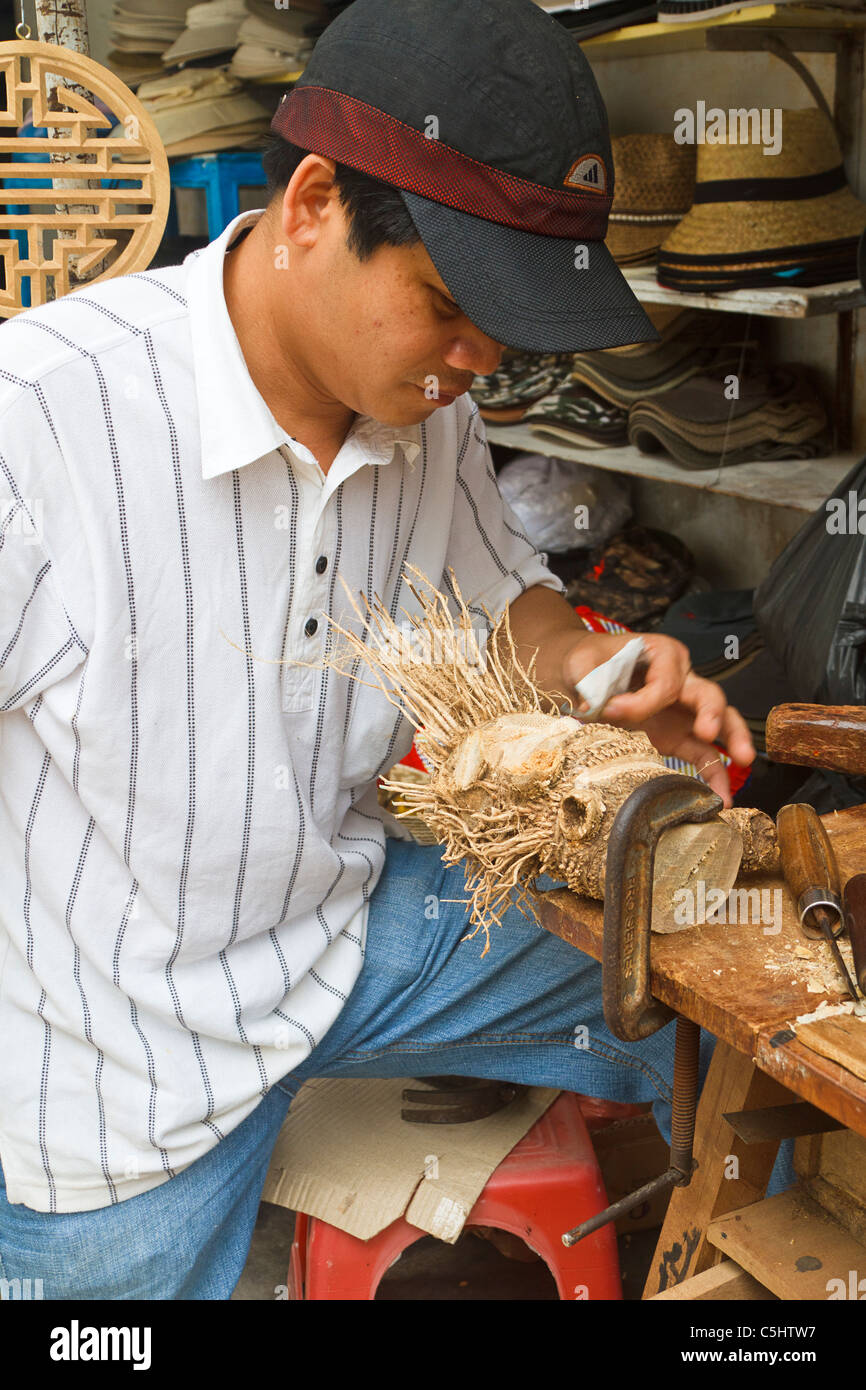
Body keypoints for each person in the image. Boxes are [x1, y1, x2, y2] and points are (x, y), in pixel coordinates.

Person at [0, 0, 757, 1300]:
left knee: (722, 954)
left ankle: (752, 1262)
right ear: (308, 206)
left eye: (504, 333)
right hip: (113, 1059)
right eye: (451, 307)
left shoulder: (424, 408)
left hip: (346, 934)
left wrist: (600, 678)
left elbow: (502, 609)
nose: (479, 363)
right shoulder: (41, 424)